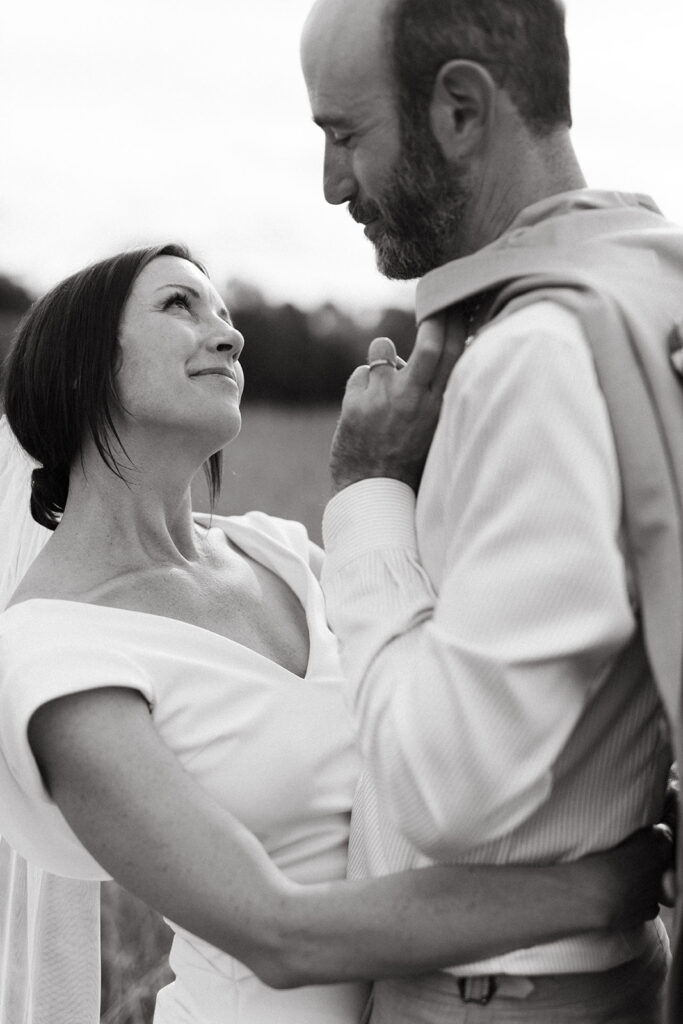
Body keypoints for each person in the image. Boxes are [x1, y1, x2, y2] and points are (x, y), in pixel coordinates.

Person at [0, 243, 668, 1024]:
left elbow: (455, 687)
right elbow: (278, 934)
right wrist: (603, 886)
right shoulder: (52, 658)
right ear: (78, 367)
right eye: (179, 305)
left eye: (221, 309)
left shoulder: (280, 552)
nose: (228, 333)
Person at [300, 0, 683, 1021]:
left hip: (496, 996)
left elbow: (443, 788)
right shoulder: (641, 299)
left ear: (459, 110)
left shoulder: (533, 356)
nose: (332, 184)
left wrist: (369, 495)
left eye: (343, 136)